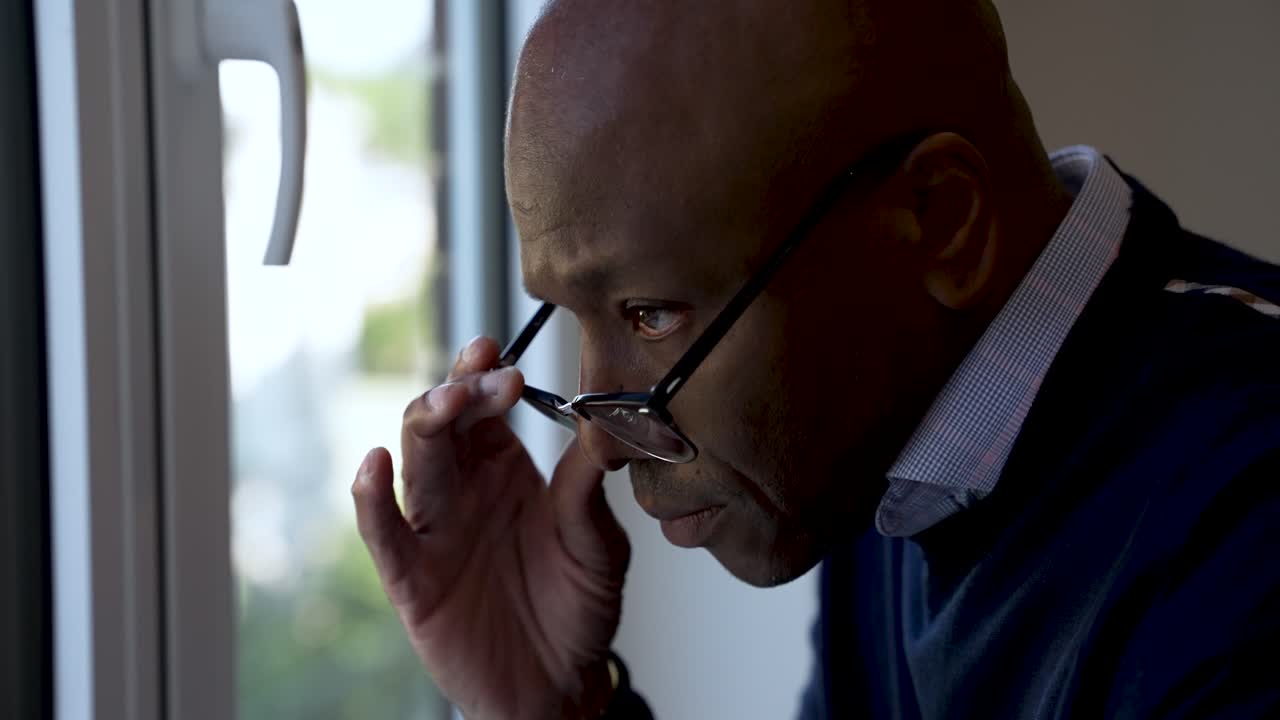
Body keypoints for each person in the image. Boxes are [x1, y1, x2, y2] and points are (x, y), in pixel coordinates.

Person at [350, 0, 1280, 717]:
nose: (607, 440)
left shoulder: (1248, 513)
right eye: (567, 311)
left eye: (653, 312)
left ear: (941, 223)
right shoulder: (904, 455)